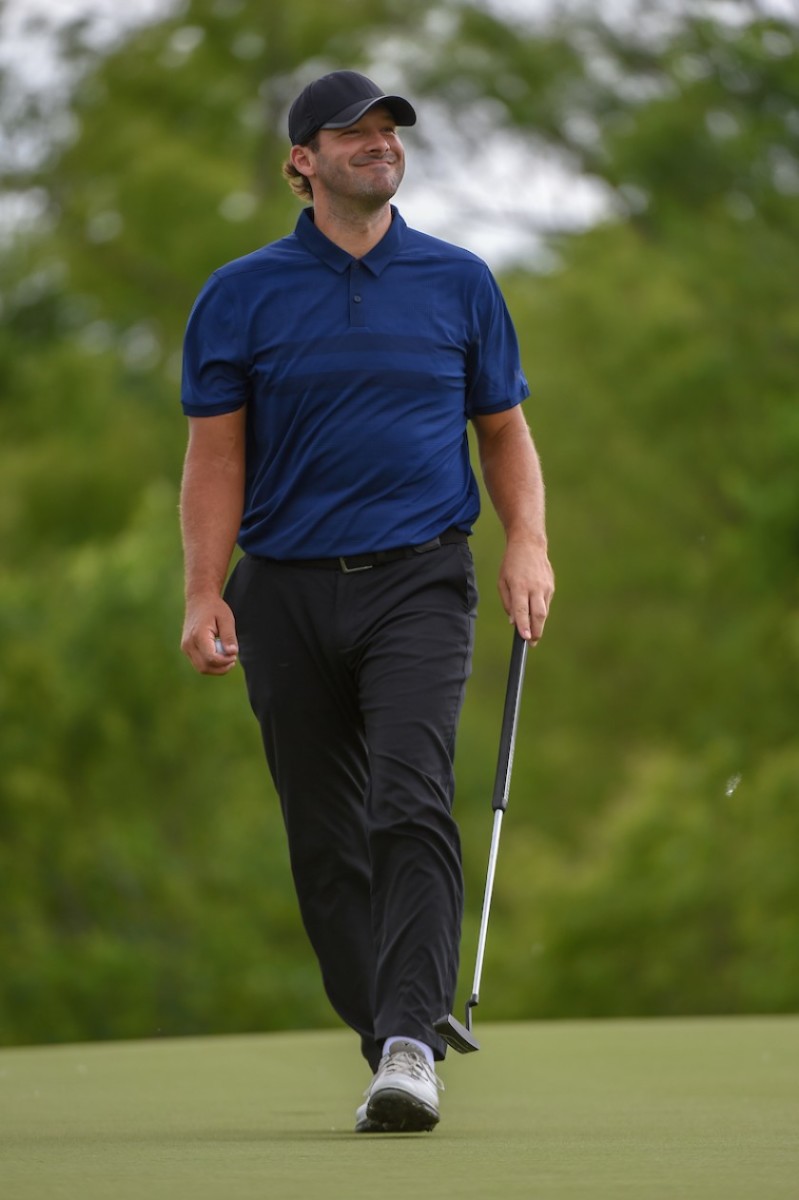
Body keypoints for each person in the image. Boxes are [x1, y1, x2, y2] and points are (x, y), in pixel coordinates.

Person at [179, 69, 554, 1134]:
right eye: (353, 132)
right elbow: (215, 458)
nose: (379, 142)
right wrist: (203, 589)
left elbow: (503, 431)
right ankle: (388, 1032)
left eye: (390, 129)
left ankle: (407, 1047)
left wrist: (527, 542)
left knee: (410, 798)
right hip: (283, 591)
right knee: (324, 839)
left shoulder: (459, 280)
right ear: (302, 161)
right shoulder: (240, 294)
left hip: (419, 580)